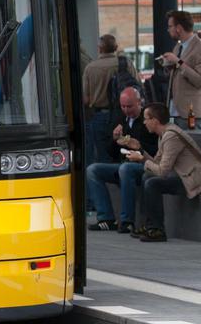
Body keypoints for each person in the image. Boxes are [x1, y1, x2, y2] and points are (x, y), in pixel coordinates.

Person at [85, 87, 158, 233]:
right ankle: (106, 218)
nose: (126, 110)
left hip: (142, 164)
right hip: (123, 163)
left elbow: (156, 150)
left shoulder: (147, 120)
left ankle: (127, 221)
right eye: (123, 106)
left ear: (139, 102)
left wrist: (139, 146)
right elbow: (111, 153)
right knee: (93, 170)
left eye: (129, 106)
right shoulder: (119, 118)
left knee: (125, 169)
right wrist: (114, 139)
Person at [126, 103, 201, 242]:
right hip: (184, 176)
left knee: (152, 183)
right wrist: (140, 150)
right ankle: (149, 225)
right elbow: (156, 164)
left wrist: (142, 159)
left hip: (193, 180)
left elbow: (162, 172)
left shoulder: (171, 136)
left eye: (146, 118)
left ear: (155, 121)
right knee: (147, 176)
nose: (144, 122)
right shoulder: (164, 135)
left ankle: (157, 229)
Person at [83, 34, 140, 165]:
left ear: (99, 48)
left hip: (99, 115)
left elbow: (86, 99)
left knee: (103, 154)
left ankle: (105, 180)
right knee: (125, 151)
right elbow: (137, 86)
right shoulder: (125, 63)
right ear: (115, 47)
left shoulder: (90, 68)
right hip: (124, 114)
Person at [161, 10, 201, 129]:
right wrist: (168, 66)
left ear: (178, 28)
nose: (168, 30)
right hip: (174, 111)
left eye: (170, 26)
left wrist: (178, 61)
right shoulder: (178, 46)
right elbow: (177, 73)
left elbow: (199, 80)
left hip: (191, 113)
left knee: (193, 146)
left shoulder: (199, 47)